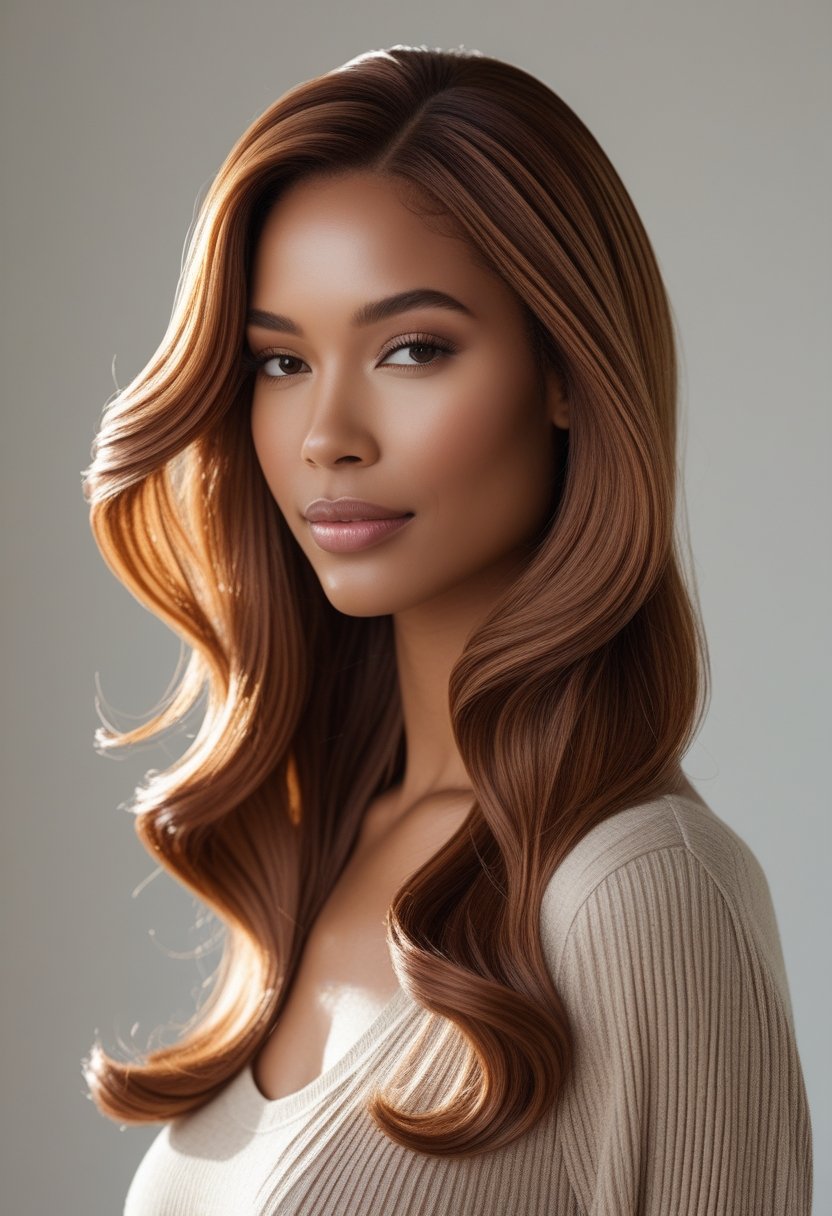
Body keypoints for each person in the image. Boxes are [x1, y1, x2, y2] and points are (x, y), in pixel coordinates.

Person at [81, 44, 812, 1215]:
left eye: (412, 348)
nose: (328, 433)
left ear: (565, 372)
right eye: (280, 360)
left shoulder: (644, 896)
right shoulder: (321, 845)